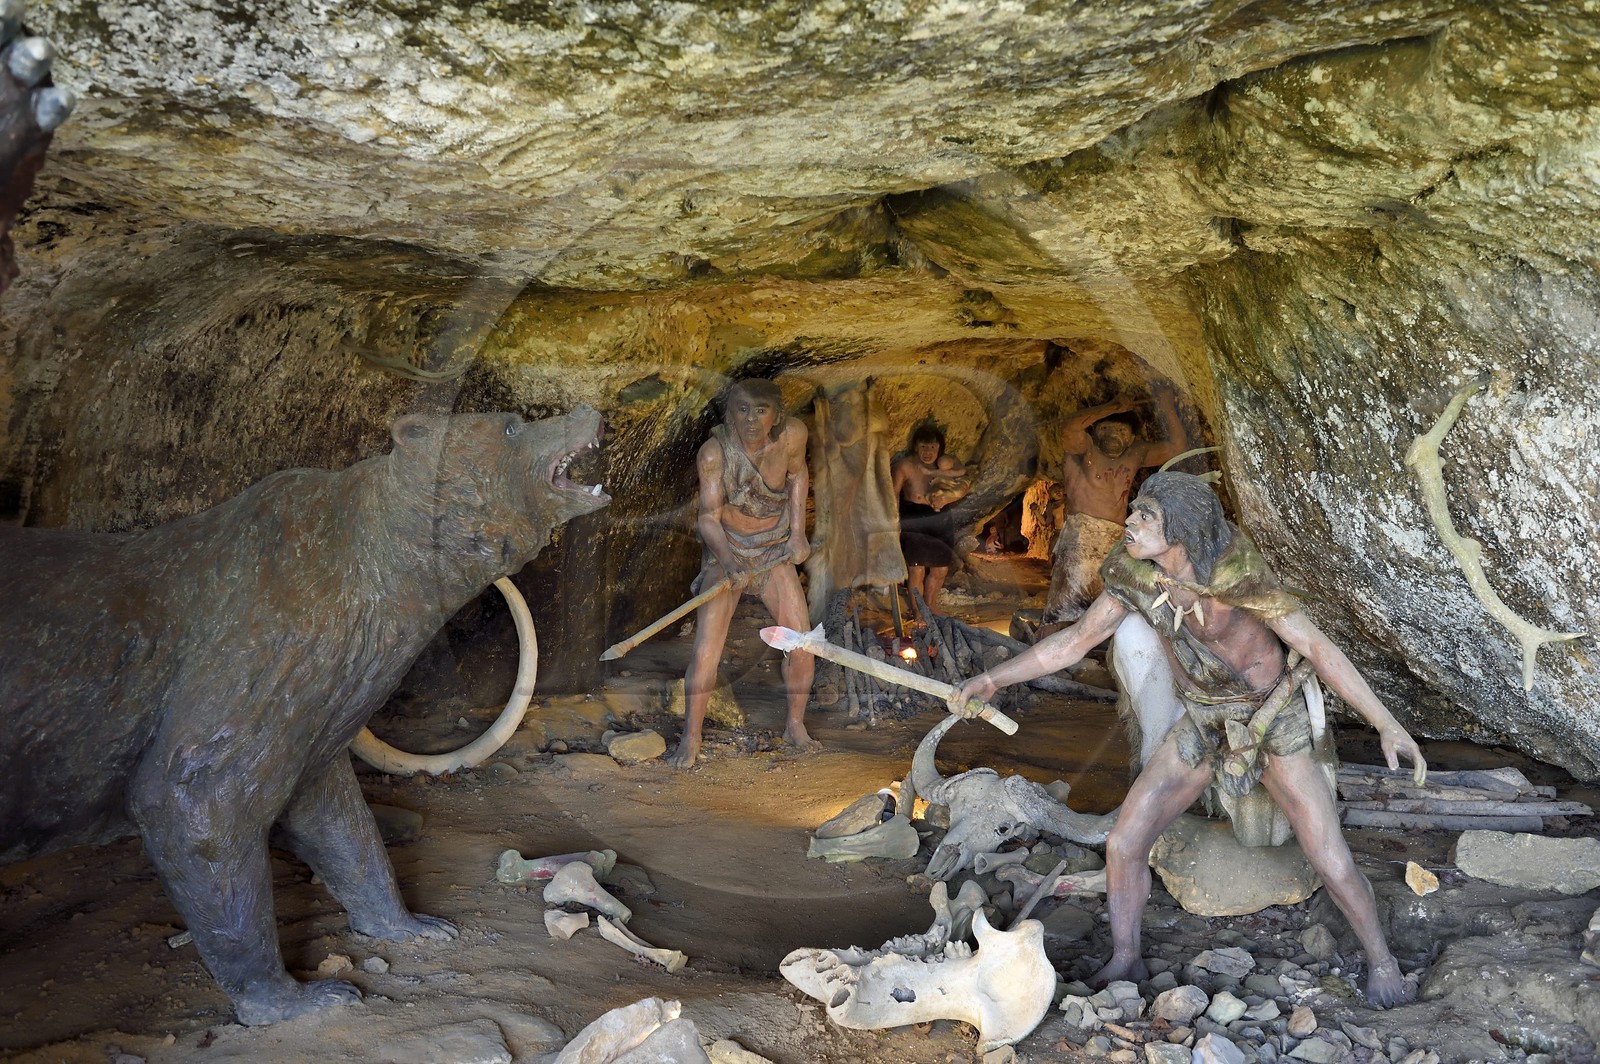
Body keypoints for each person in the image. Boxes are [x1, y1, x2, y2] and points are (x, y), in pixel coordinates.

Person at [951, 472, 1426, 1008]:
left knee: (1331, 858)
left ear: (1180, 529)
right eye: (1133, 511)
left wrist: (1385, 722)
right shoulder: (1137, 573)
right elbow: (1077, 640)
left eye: (1145, 515)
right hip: (1203, 720)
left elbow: (1315, 647)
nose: (1129, 523)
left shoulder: (1237, 574)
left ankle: (1383, 962)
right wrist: (993, 679)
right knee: (1124, 843)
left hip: (1270, 721)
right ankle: (1126, 956)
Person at [667, 379, 819, 769]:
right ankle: (691, 735)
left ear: (777, 415)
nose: (751, 419)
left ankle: (795, 725)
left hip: (772, 551)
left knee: (802, 644)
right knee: (705, 652)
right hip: (729, 552)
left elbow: (798, 475)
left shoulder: (792, 437)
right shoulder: (715, 454)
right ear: (729, 414)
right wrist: (729, 563)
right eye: (742, 409)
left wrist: (798, 533)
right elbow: (707, 517)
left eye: (761, 410)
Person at [1043, 390, 1190, 634]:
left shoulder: (1135, 454)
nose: (1113, 435)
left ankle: (1093, 654)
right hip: (1081, 534)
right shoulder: (1084, 450)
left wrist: (1167, 407)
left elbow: (1177, 448)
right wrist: (1112, 407)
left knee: (1109, 601)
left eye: (1121, 431)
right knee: (1066, 604)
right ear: (1094, 432)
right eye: (1105, 429)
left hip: (1115, 535)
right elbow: (1068, 429)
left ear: (1132, 438)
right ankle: (1048, 652)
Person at [892, 422, 969, 614]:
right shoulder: (905, 466)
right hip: (914, 518)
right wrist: (894, 521)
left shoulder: (947, 466)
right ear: (915, 446)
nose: (928, 452)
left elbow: (965, 485)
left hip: (940, 518)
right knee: (916, 569)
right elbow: (892, 494)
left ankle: (931, 606)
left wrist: (948, 498)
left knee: (940, 569)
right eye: (924, 446)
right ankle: (919, 611)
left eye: (933, 447)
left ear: (940, 448)